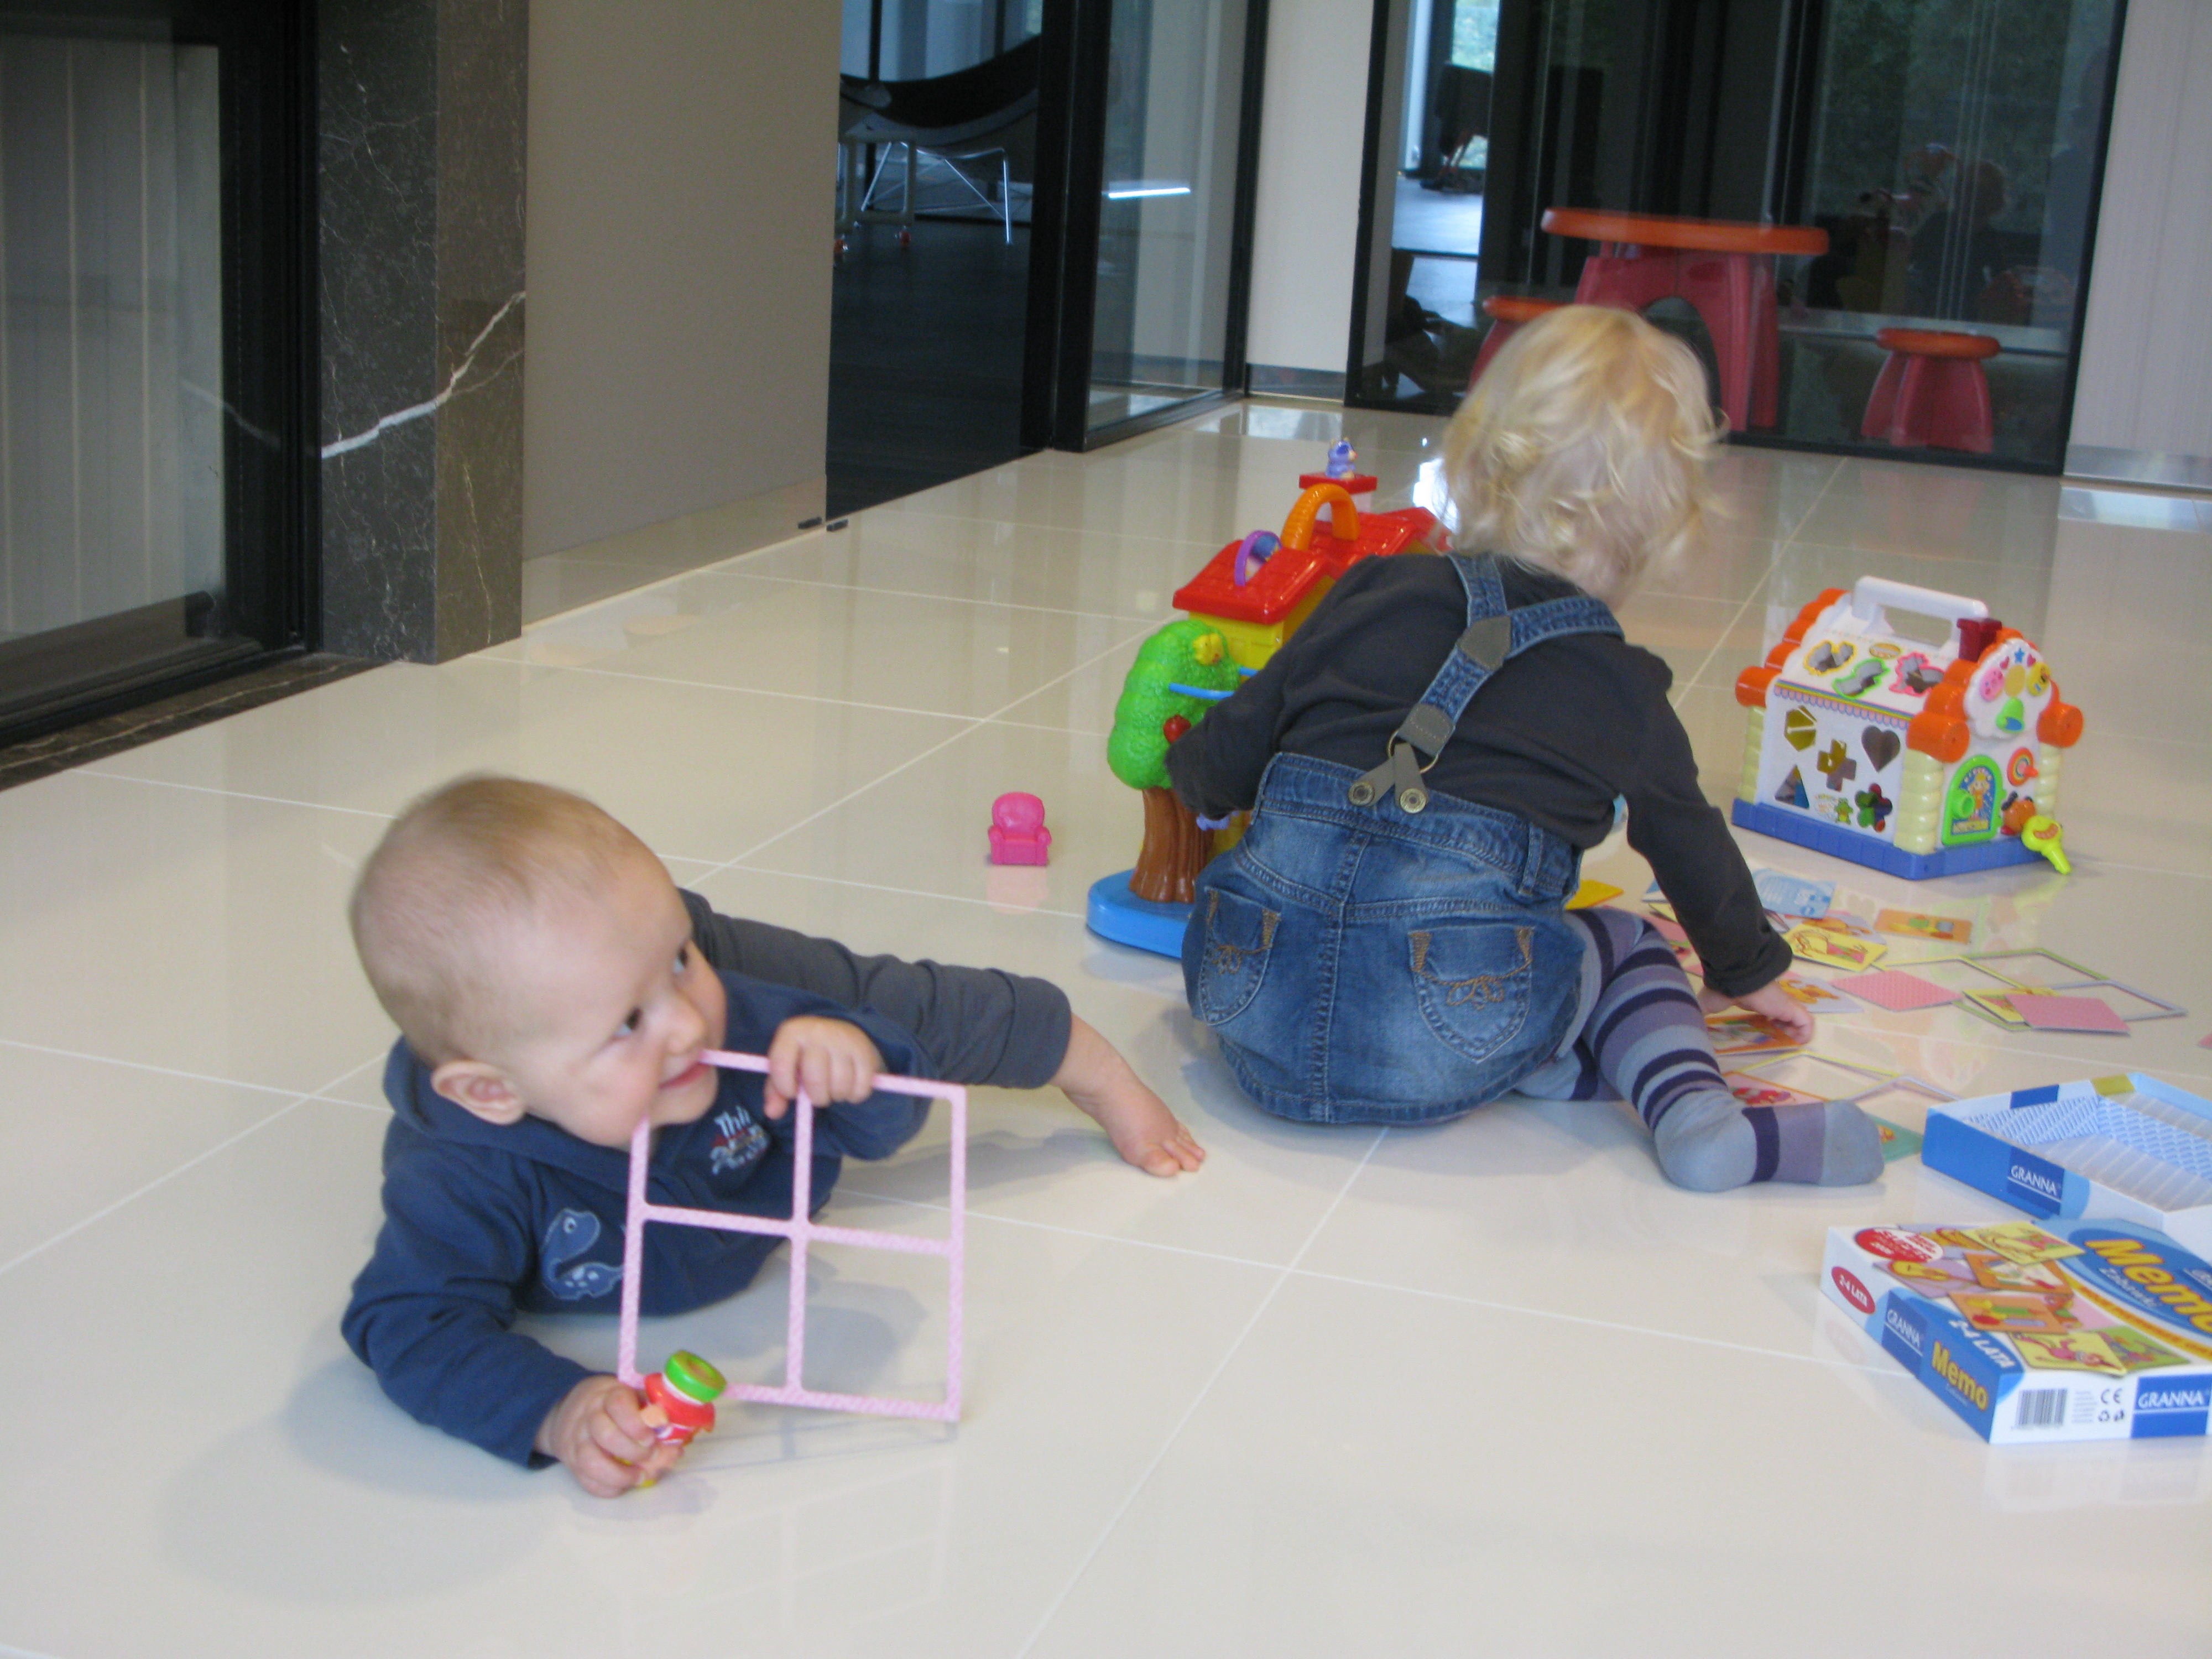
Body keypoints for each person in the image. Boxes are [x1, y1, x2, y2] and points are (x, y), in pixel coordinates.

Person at [1165, 306, 1882, 1193]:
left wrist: (1192, 776)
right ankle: (1697, 1117)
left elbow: (1232, 748)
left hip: (1249, 1009)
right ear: (1661, 530)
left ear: (1474, 463)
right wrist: (1747, 968)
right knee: (1630, 943)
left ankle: (1515, 1060)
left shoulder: (1374, 589)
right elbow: (1686, 836)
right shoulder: (1624, 684)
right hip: (1452, 1035)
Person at [343, 776, 1201, 1495]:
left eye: (678, 959)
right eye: (629, 1022)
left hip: (761, 1071)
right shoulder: (458, 1174)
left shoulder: (733, 1006)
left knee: (889, 1006)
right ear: (491, 1090)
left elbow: (889, 1107)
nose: (687, 1024)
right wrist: (554, 1410)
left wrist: (856, 1061)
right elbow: (411, 1325)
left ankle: (1079, 1055)